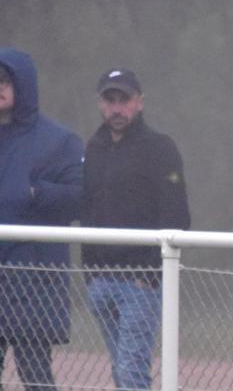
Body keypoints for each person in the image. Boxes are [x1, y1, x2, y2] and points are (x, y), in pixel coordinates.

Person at [81, 68, 190, 390]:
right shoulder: (93, 148)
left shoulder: (160, 147)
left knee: (131, 373)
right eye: (109, 99)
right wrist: (90, 272)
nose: (117, 108)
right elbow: (86, 207)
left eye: (124, 99)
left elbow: (177, 215)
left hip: (140, 283)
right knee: (120, 370)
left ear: (139, 102)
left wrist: (151, 274)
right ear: (100, 103)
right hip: (99, 281)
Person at [0, 48, 84, 391]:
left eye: (5, 80)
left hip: (34, 280)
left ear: (24, 84)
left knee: (35, 375)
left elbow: (79, 198)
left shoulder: (59, 141)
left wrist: (36, 193)